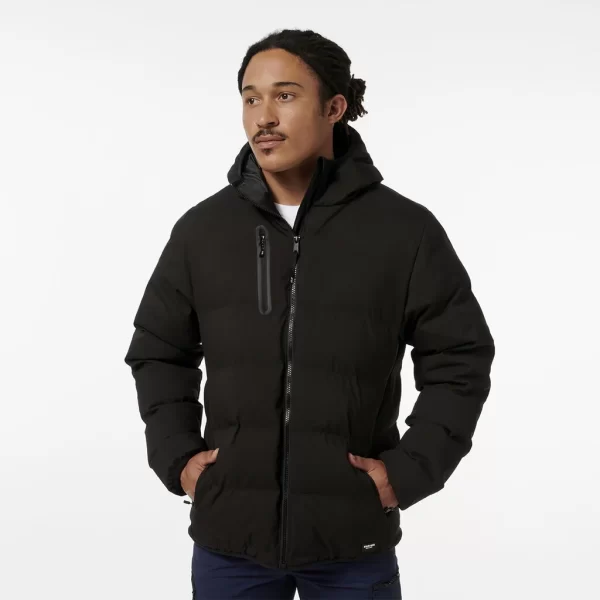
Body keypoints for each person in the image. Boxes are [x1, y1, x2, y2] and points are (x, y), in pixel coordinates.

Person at [124, 27, 495, 599]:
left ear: (334, 108)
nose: (263, 117)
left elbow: (460, 356)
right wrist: (178, 457)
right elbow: (158, 350)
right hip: (229, 543)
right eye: (251, 98)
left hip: (352, 542)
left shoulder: (404, 231)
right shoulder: (203, 231)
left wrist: (411, 469)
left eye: (285, 95)